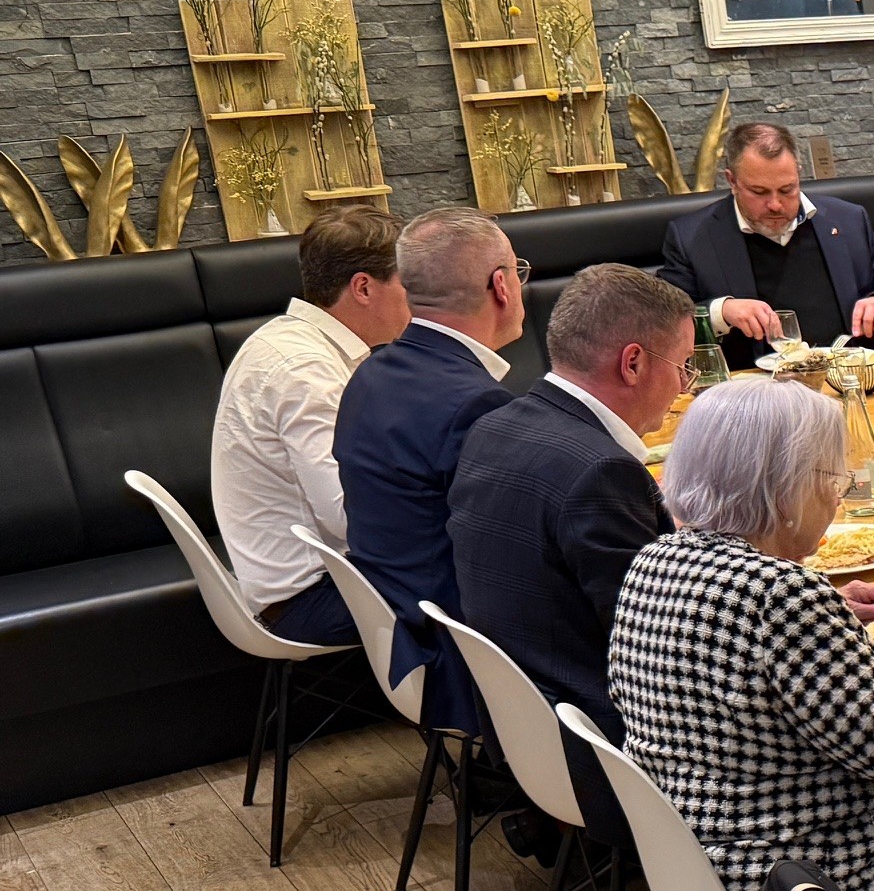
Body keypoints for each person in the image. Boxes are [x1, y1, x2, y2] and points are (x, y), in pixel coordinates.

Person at [612, 378, 874, 891]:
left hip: (706, 871)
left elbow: (739, 656)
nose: (839, 495)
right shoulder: (780, 597)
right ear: (785, 486)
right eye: (832, 477)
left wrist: (831, 613)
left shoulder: (656, 559)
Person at [448, 263, 692, 834]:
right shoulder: (600, 472)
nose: (685, 386)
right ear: (633, 363)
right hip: (606, 755)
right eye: (683, 365)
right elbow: (670, 651)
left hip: (526, 734)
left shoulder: (496, 425)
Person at [335, 206, 524, 735]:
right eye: (519, 271)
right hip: (459, 659)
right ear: (501, 286)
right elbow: (515, 554)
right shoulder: (474, 403)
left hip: (403, 631)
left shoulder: (370, 374)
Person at [209, 205, 413, 647]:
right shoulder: (304, 371)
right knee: (498, 578)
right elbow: (349, 516)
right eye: (407, 283)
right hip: (311, 597)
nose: (415, 300)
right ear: (363, 287)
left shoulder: (285, 339)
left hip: (313, 578)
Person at [658, 120, 874, 365]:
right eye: (759, 192)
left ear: (798, 175)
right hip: (752, 388)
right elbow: (665, 320)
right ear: (732, 181)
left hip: (846, 377)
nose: (775, 204)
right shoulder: (692, 237)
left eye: (787, 189)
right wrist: (721, 311)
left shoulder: (848, 220)